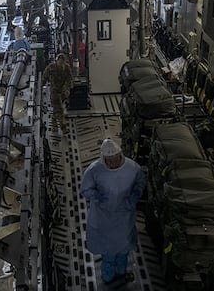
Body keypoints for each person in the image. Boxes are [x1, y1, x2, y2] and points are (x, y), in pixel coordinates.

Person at [80, 138, 145, 284]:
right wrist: (96, 196)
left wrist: (136, 193)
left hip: (124, 216)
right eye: (109, 160)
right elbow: (85, 189)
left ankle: (121, 273)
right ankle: (108, 277)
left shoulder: (132, 168)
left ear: (120, 155)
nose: (113, 162)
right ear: (103, 158)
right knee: (108, 251)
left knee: (123, 249)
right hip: (104, 217)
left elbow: (140, 181)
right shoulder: (94, 170)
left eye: (115, 159)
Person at [42, 53, 72, 133]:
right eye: (59, 62)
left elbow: (69, 79)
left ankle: (54, 124)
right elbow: (45, 75)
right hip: (54, 91)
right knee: (60, 110)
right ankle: (63, 128)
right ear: (57, 61)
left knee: (56, 109)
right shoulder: (52, 67)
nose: (61, 64)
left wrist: (67, 89)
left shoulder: (67, 68)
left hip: (62, 91)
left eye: (62, 62)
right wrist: (42, 84)